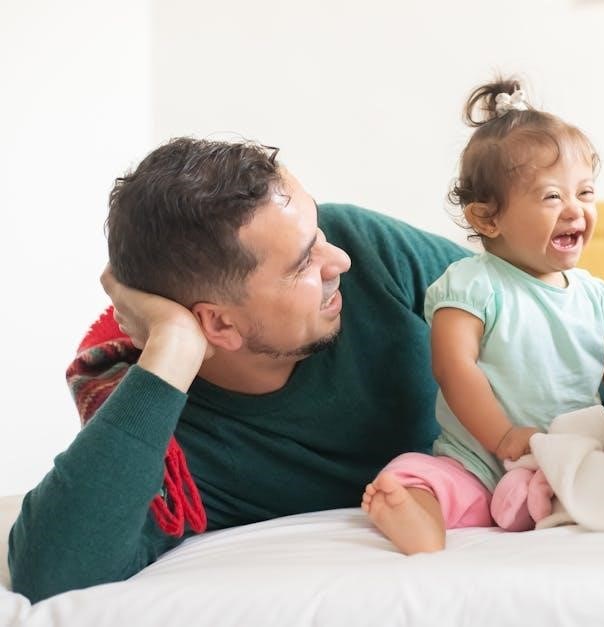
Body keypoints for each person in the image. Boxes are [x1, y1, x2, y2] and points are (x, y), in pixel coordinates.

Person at [8, 138, 470, 602]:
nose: (338, 261)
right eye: (302, 264)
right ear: (220, 324)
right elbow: (51, 574)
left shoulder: (368, 251)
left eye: (317, 234)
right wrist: (173, 344)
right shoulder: (178, 442)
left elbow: (512, 308)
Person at [360, 79, 604, 554]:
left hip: (571, 462)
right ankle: (418, 515)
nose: (575, 209)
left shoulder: (599, 298)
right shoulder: (472, 284)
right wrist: (502, 437)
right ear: (488, 219)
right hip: (479, 460)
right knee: (417, 474)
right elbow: (454, 366)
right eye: (552, 197)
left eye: (585, 192)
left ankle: (548, 502)